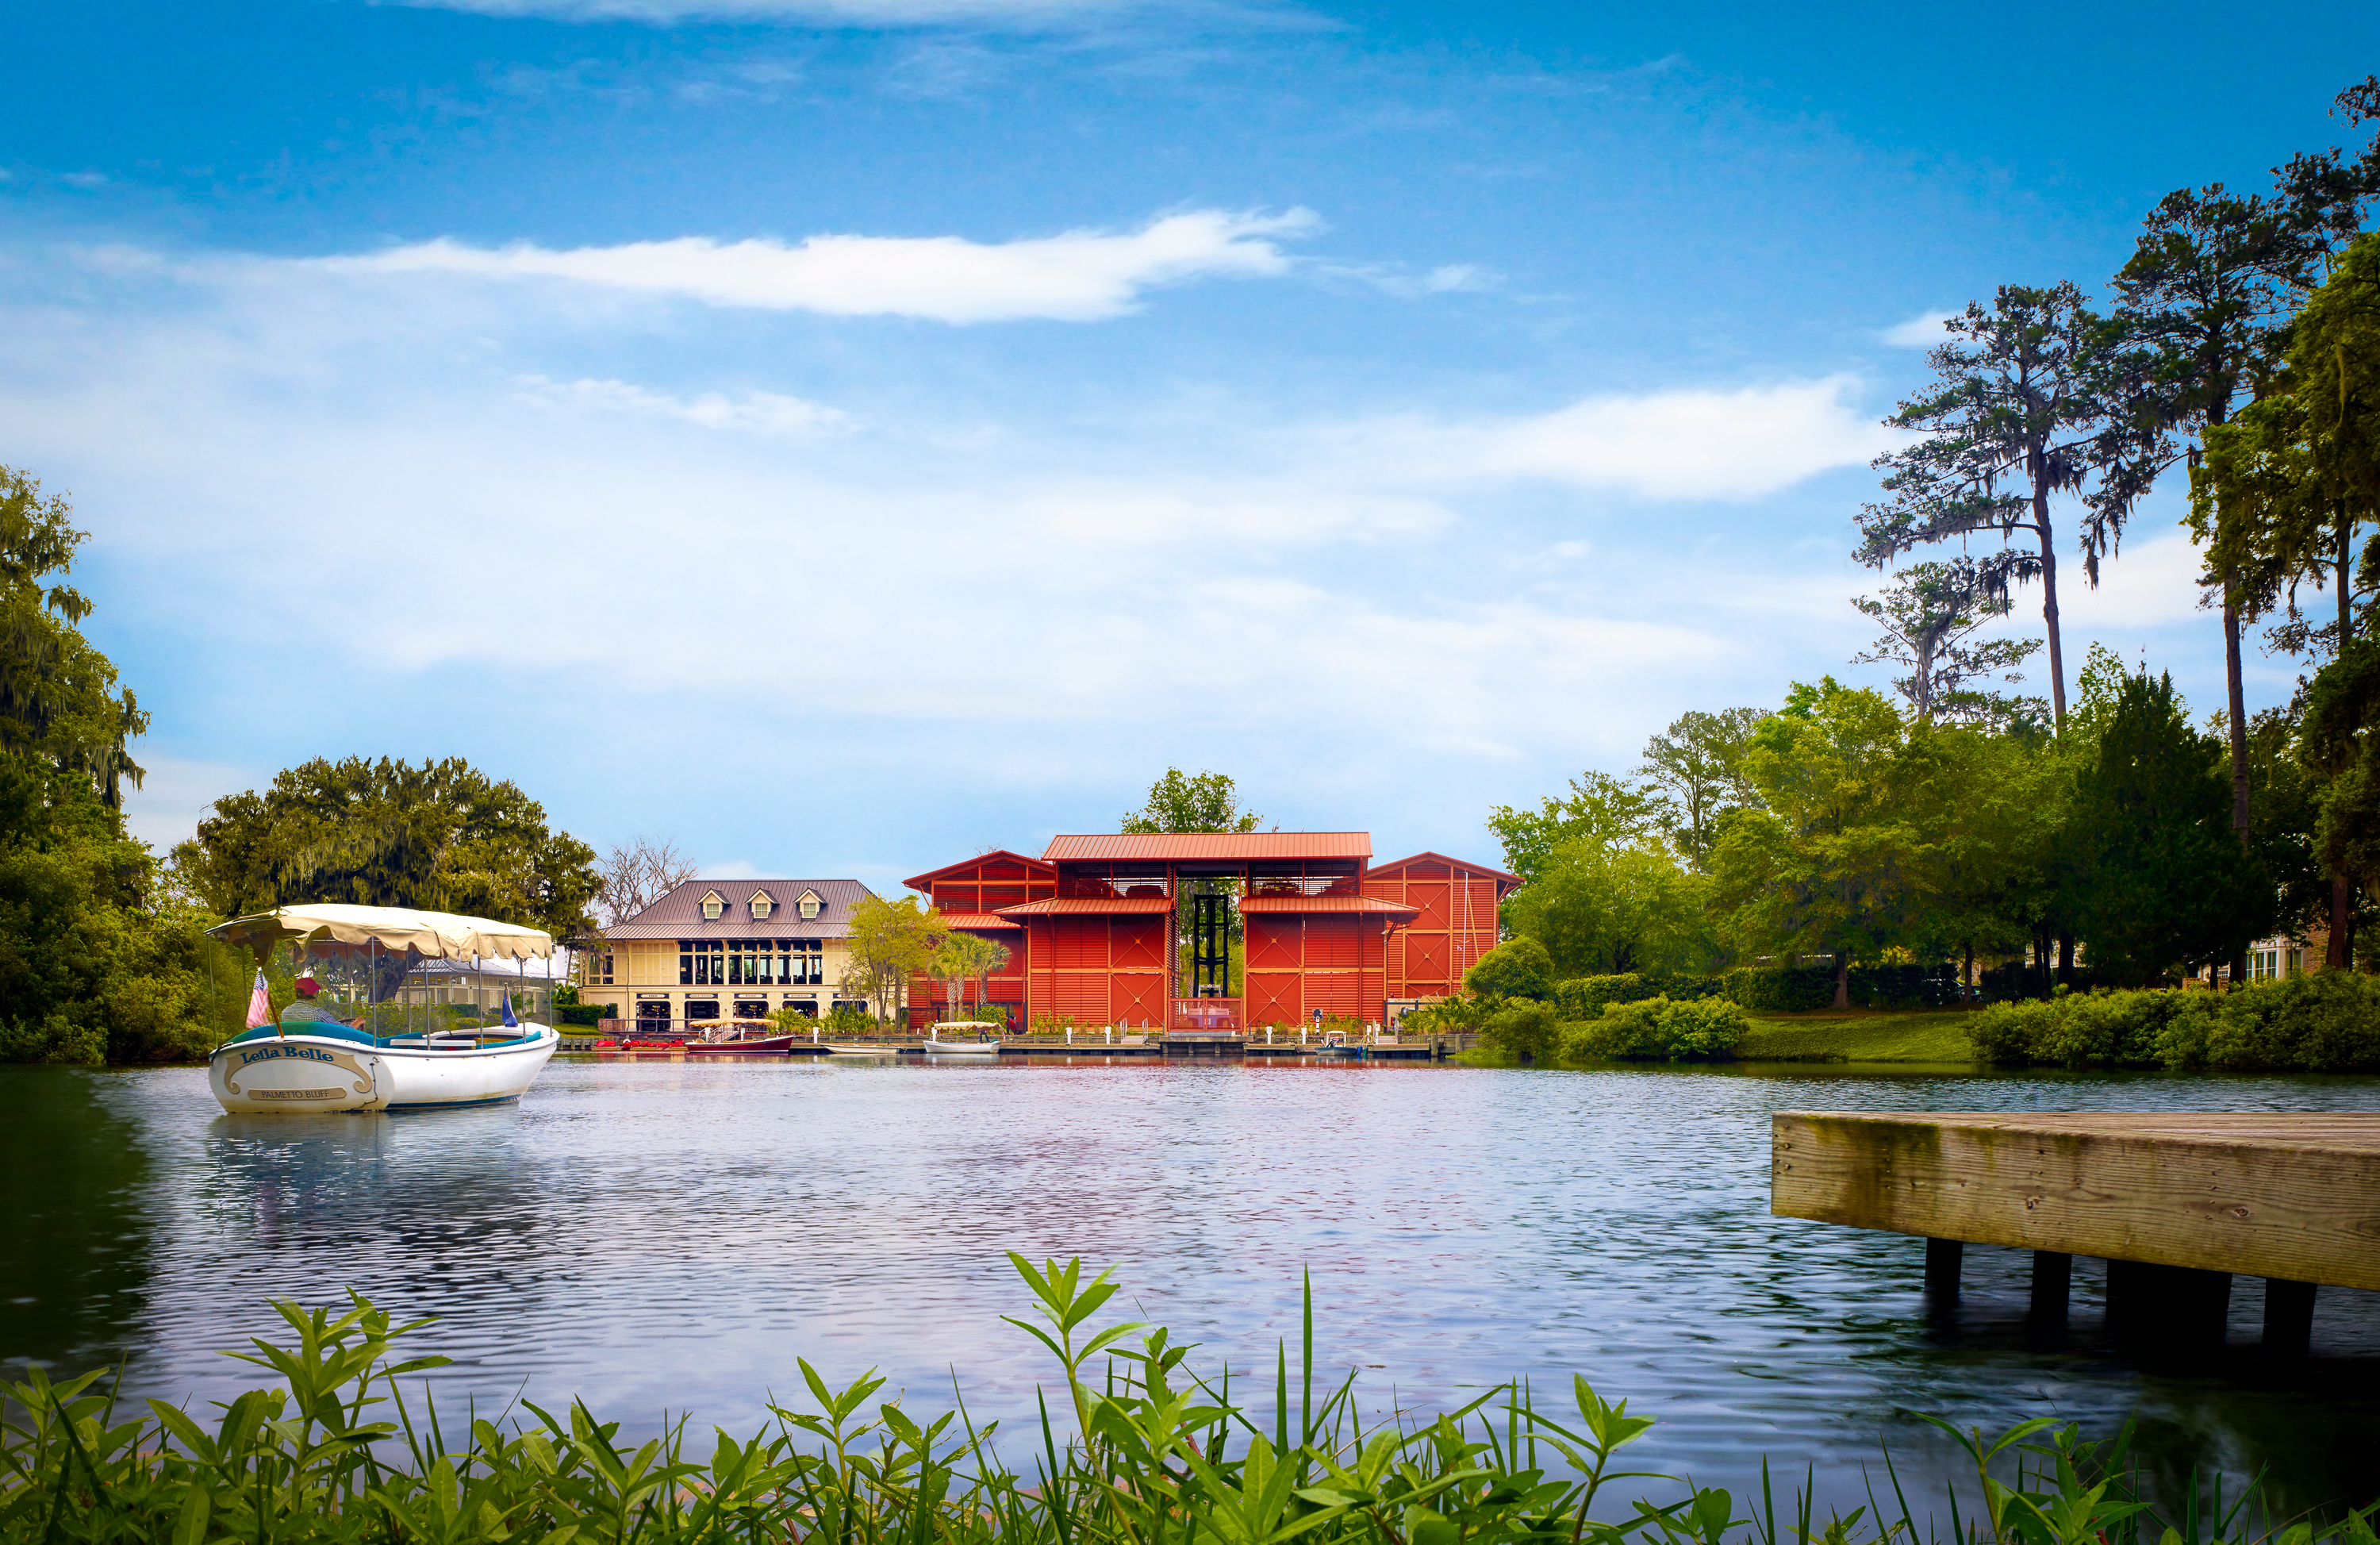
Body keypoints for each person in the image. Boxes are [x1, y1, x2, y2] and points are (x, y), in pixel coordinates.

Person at [280, 974, 357, 1027]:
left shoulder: (285, 1012)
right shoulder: (318, 1013)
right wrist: (358, 1022)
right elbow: (342, 1030)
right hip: (314, 1050)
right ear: (314, 993)